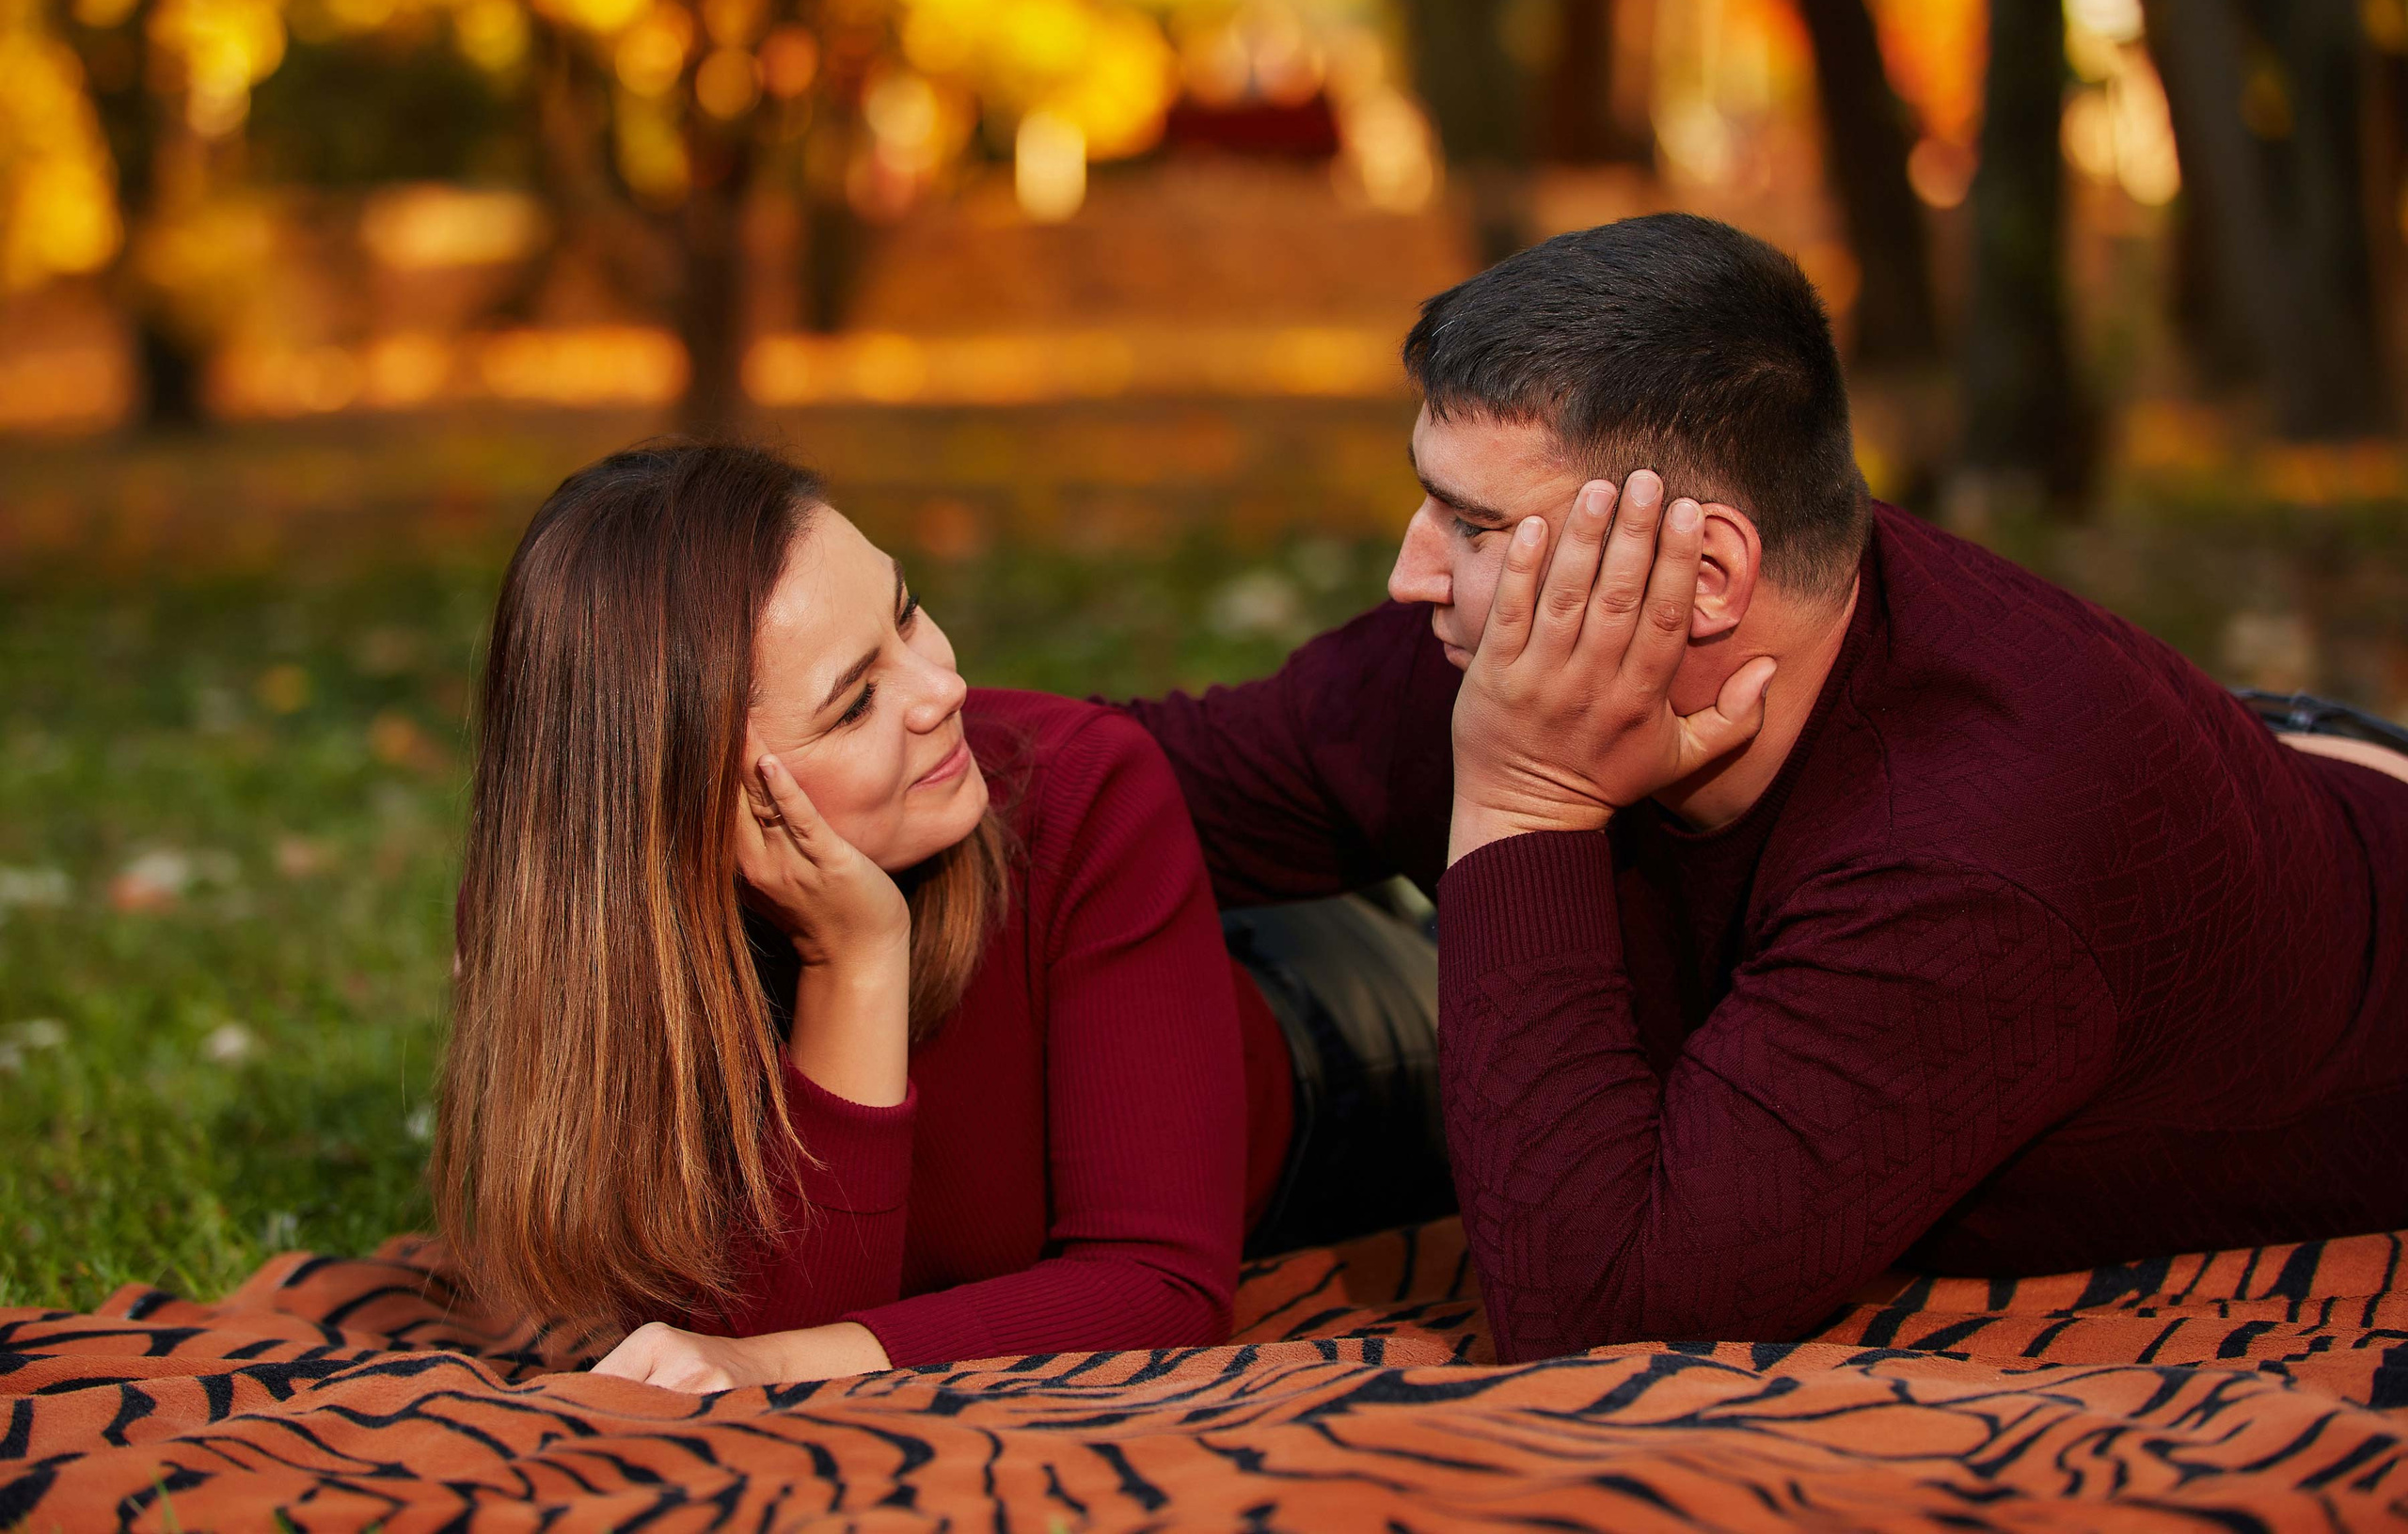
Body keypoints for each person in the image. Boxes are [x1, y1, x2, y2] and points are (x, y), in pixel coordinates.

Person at [1117, 213, 2408, 1365]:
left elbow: (1594, 1316)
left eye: (1473, 525)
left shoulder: (1968, 851)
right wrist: (908, 695)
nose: (1411, 573)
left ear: (1709, 572)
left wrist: (1523, 804)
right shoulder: (1548, 641)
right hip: (2266, 764)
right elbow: (1136, 783)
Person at [435, 440, 1450, 1394]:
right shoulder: (575, 932)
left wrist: (855, 958)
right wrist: (856, 960)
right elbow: (747, 1332)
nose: (943, 688)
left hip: (1334, 1041)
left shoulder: (1082, 784)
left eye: (908, 614)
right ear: (682, 801)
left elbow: (1156, 1285)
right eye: (853, 702)